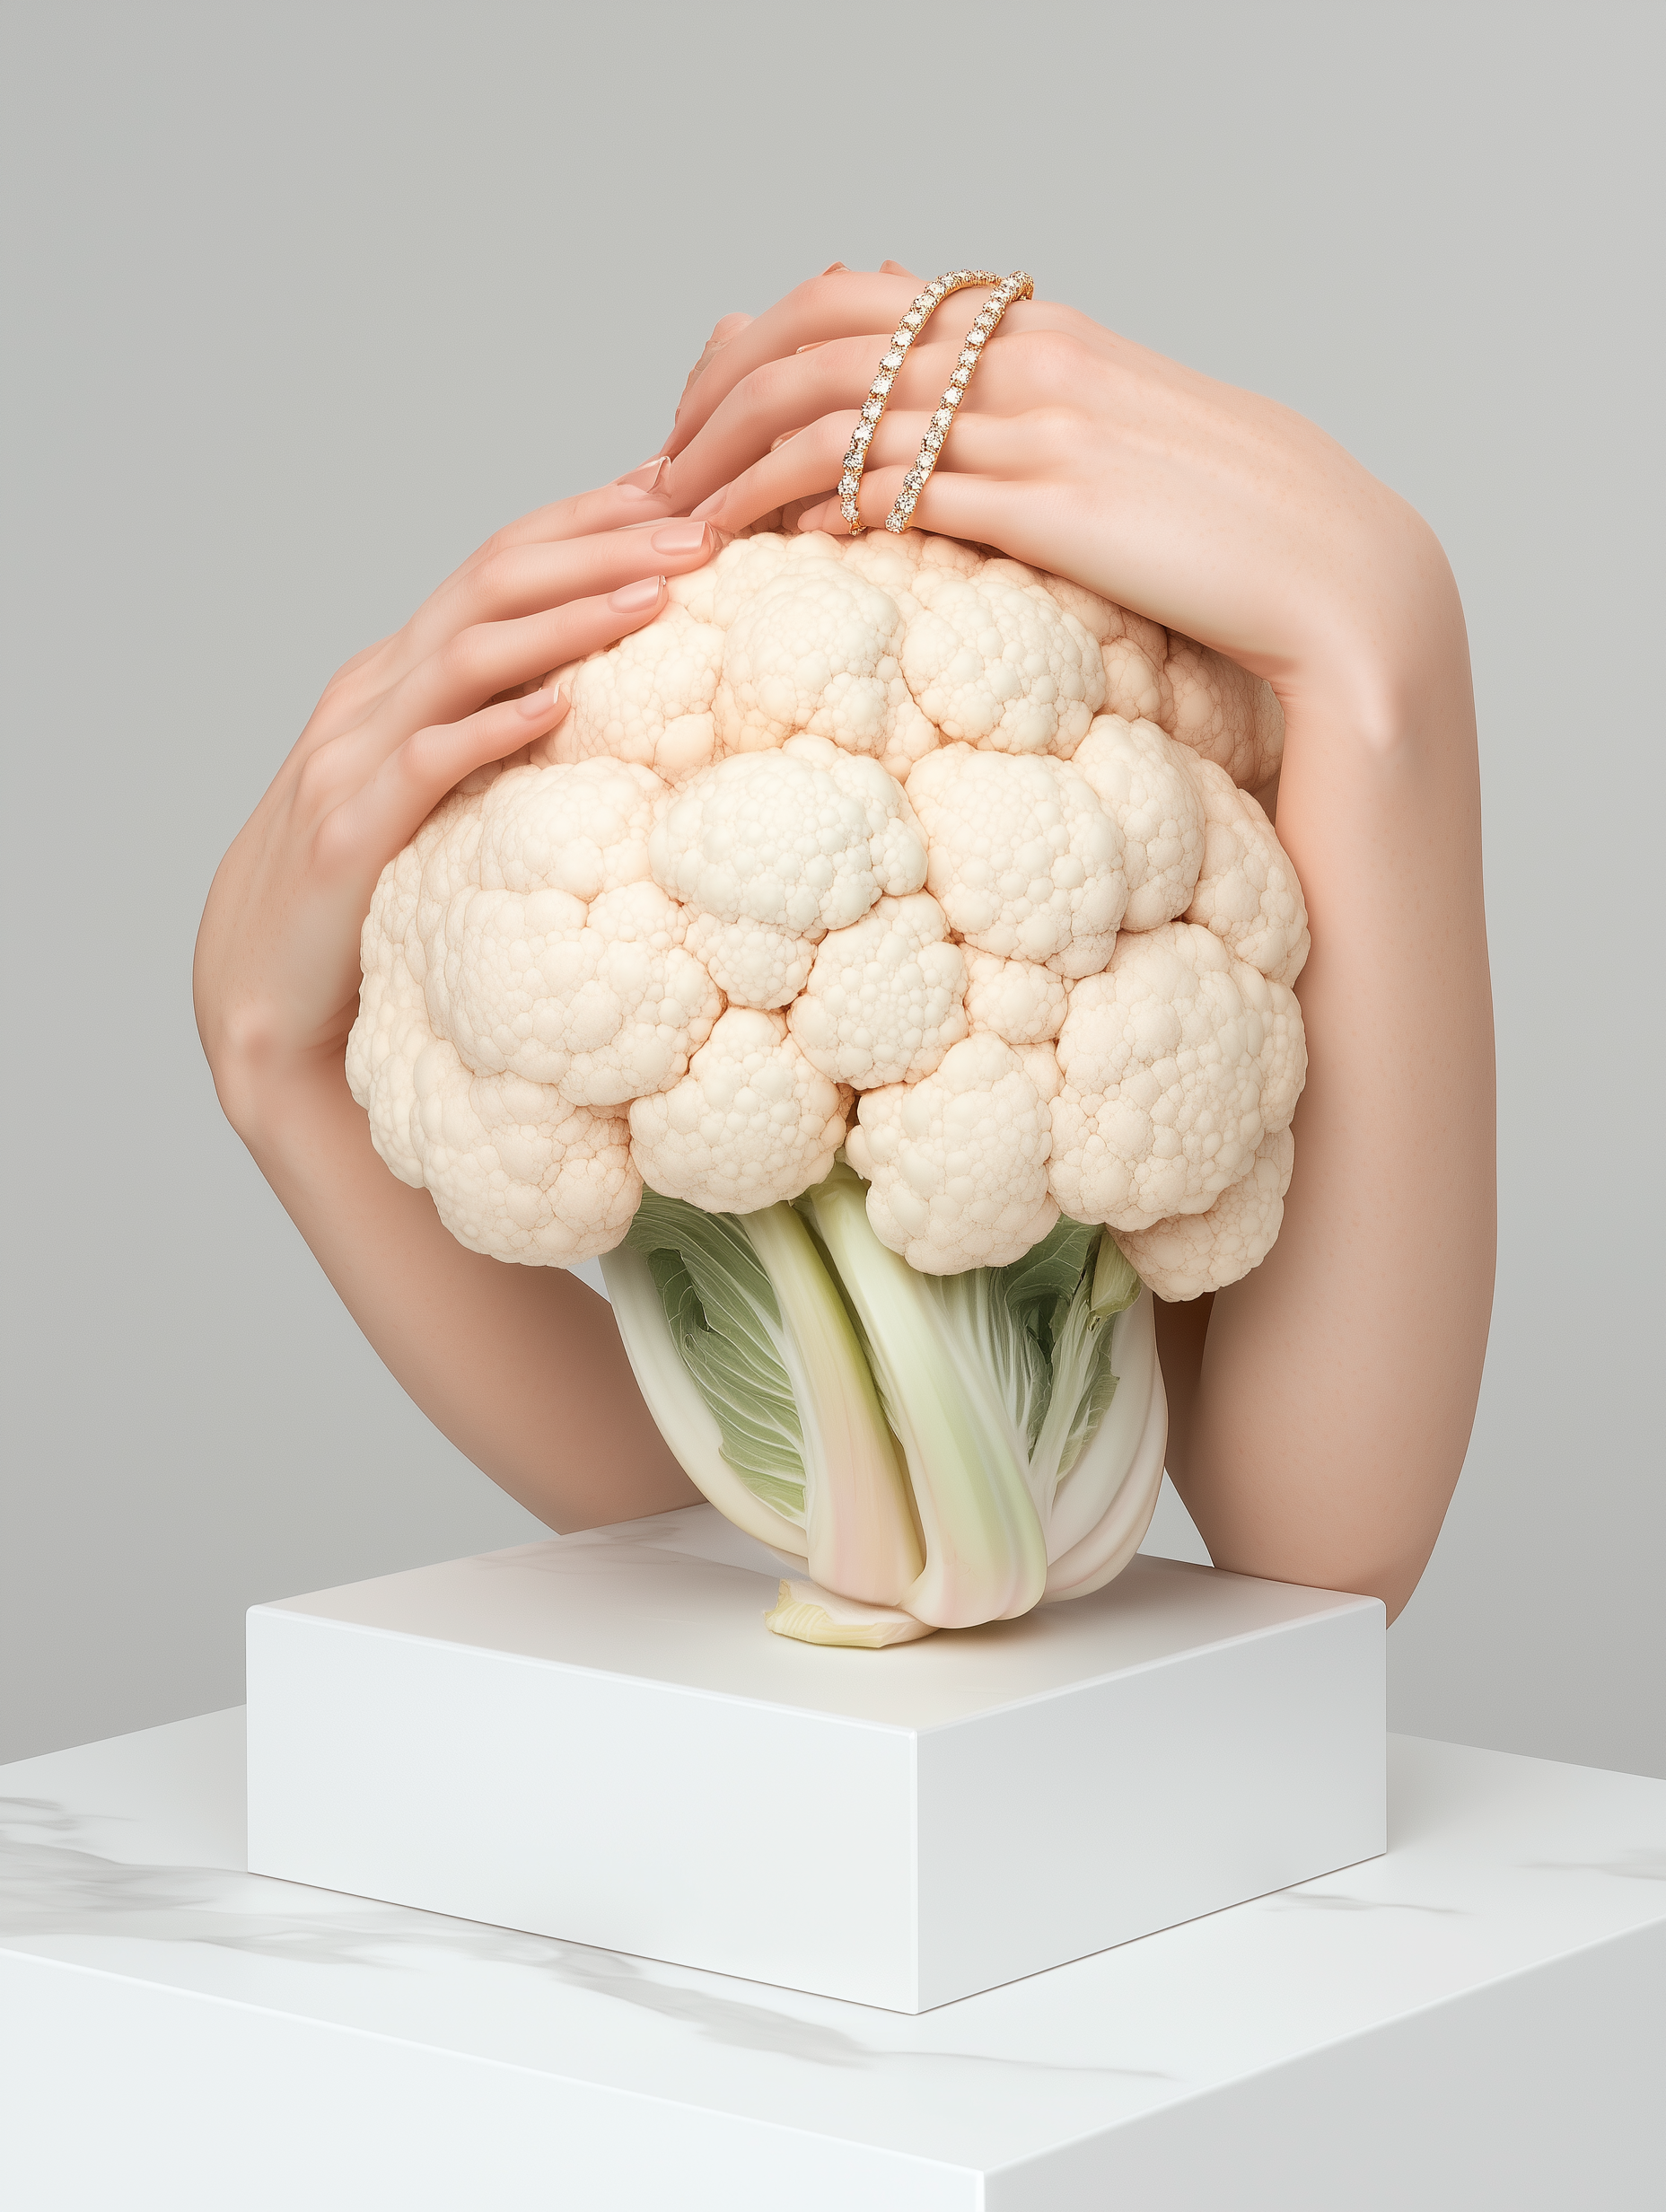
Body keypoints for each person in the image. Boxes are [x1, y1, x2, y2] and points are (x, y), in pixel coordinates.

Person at [194, 262, 1494, 1623]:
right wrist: (274, 1060)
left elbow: (1317, 1566)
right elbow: (706, 1541)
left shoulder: (1096, 835)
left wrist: (1377, 658)